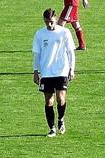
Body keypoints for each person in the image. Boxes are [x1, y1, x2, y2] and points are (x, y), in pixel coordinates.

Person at [32, 8, 76, 137]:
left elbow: (70, 52)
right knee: (48, 101)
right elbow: (36, 54)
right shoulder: (39, 34)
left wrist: (71, 69)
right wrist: (35, 71)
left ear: (56, 19)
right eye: (46, 22)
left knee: (60, 98)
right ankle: (52, 128)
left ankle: (61, 120)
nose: (49, 25)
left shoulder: (64, 33)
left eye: (51, 21)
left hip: (61, 70)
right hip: (46, 72)